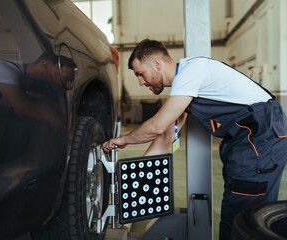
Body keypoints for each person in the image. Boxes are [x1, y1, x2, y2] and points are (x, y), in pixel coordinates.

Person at [103, 39, 287, 239]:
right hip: (253, 141)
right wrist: (135, 183)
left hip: (259, 140)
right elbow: (166, 138)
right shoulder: (185, 86)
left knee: (241, 218)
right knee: (245, 215)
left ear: (157, 64)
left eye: (140, 74)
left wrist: (125, 139)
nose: (141, 82)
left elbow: (157, 126)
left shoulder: (191, 73)